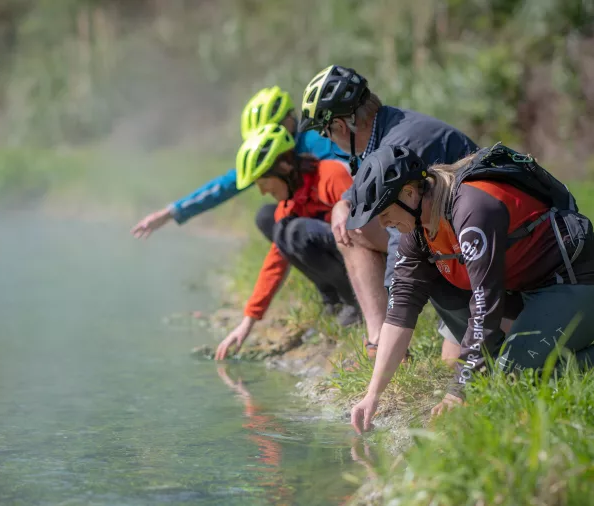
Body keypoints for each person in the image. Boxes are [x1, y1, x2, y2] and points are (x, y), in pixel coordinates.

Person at [345, 144, 594, 433]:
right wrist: (373, 395)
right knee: (491, 373)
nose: (384, 225)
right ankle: (513, 357)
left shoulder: (471, 208)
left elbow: (485, 305)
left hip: (576, 280)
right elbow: (400, 309)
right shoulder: (417, 230)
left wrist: (458, 391)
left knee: (513, 381)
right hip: (523, 290)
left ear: (410, 193)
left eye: (385, 214)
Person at [298, 65, 481, 360]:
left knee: (452, 363)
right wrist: (342, 203)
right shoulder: (387, 127)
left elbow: (402, 235)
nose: (330, 141)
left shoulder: (400, 142)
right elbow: (367, 187)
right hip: (451, 239)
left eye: (327, 134)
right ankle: (379, 340)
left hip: (478, 250)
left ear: (340, 128)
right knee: (351, 224)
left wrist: (398, 310)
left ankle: (391, 341)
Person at [131, 86, 351, 317]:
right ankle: (332, 296)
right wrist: (171, 212)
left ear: (288, 121)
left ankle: (353, 294)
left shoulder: (317, 144)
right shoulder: (270, 154)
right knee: (269, 217)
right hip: (315, 220)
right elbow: (223, 186)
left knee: (295, 229)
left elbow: (348, 182)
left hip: (343, 221)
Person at [214, 123, 358, 360]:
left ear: (284, 167)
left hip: (372, 258)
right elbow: (275, 261)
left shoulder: (331, 176)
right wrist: (247, 322)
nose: (262, 192)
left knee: (296, 231)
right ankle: (338, 302)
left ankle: (358, 304)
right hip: (347, 257)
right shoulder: (290, 203)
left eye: (264, 182)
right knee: (285, 232)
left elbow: (371, 230)